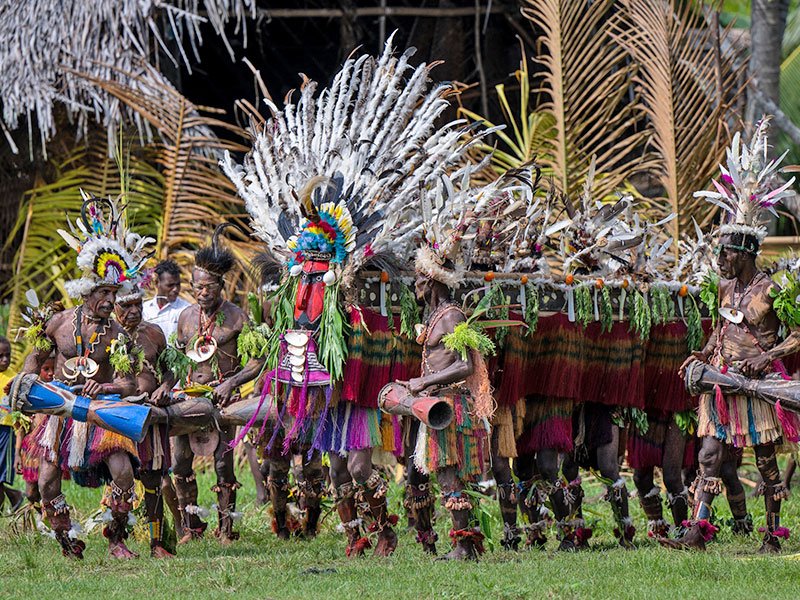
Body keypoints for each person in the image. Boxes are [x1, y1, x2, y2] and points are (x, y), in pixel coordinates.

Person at [666, 119, 800, 552]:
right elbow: (719, 329)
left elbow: (797, 337)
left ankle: (773, 538)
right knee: (708, 455)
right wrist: (701, 354)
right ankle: (697, 532)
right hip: (722, 383)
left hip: (758, 385)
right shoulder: (723, 288)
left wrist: (765, 359)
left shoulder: (772, 290)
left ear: (743, 252)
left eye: (725, 251)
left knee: (765, 464)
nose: (718, 257)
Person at [19, 194, 150, 559]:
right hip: (61, 406)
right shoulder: (59, 323)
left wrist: (104, 386)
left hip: (102, 409)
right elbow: (34, 360)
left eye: (114, 293)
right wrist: (25, 385)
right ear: (87, 290)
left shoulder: (119, 336)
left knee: (123, 473)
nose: (110, 301)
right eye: (104, 293)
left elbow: (129, 384)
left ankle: (116, 539)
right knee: (45, 480)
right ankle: (66, 539)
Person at [171, 226, 263, 545]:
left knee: (223, 464)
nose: (202, 292)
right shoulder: (184, 318)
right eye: (197, 287)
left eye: (208, 287)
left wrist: (233, 382)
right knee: (179, 461)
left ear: (220, 286)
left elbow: (256, 360)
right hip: (188, 397)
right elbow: (177, 359)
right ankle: (192, 526)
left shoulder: (237, 317)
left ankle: (226, 530)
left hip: (223, 401)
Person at [114, 286, 177, 557]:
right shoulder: (105, 335)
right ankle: (116, 541)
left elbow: (170, 371)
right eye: (126, 306)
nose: (135, 311)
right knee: (119, 478)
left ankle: (157, 543)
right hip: (117, 417)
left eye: (138, 304)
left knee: (153, 478)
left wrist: (164, 387)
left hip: (151, 415)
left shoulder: (154, 332)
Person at [14, 353, 55, 508]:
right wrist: (17, 453)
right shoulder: (29, 396)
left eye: (53, 368)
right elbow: (21, 427)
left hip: (48, 449)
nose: (51, 373)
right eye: (46, 369)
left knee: (48, 487)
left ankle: (50, 517)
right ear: (38, 371)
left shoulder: (58, 395)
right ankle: (40, 515)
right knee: (31, 492)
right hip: (30, 450)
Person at [0, 337, 24, 513]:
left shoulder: (14, 379)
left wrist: (17, 452)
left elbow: (20, 416)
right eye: (0, 356)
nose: (5, 360)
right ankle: (14, 495)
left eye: (7, 355)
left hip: (6, 432)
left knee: (0, 477)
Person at [142, 259, 190, 343]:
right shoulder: (145, 309)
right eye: (170, 285)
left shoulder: (186, 310)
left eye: (178, 284)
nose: (176, 289)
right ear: (157, 283)